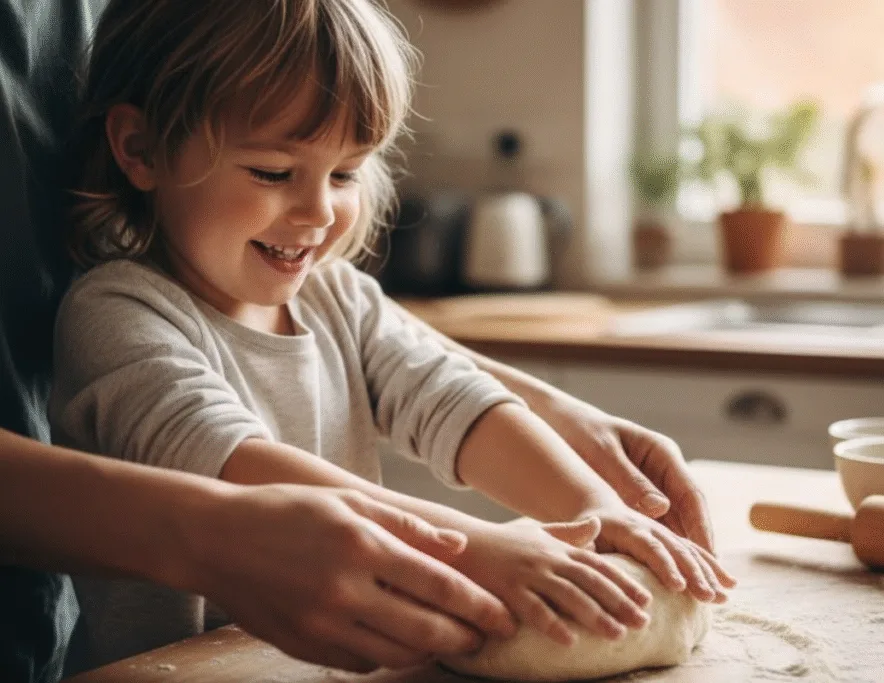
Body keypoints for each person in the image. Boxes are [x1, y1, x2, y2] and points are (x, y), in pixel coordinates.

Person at [0, 0, 726, 681]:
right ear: (141, 148)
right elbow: (241, 467)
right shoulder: (118, 314)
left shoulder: (337, 298)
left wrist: (599, 512)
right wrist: (471, 549)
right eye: (274, 172)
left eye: (346, 173)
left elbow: (455, 401)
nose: (319, 211)